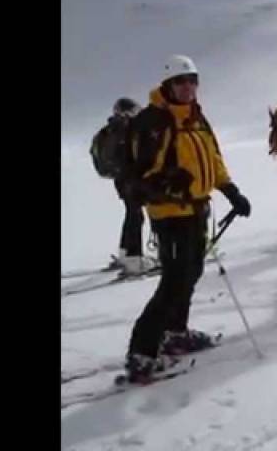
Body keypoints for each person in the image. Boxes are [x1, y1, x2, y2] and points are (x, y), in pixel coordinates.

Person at [122, 54, 252, 382]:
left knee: (191, 273)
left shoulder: (195, 117)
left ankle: (175, 333)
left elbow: (213, 159)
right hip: (170, 215)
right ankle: (141, 352)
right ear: (168, 85)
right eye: (180, 82)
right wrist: (167, 182)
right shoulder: (155, 121)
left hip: (196, 210)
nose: (188, 87)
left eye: (193, 81)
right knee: (173, 281)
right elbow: (140, 176)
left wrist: (231, 191)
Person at [91, 97, 154, 275]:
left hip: (120, 179)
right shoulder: (127, 127)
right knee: (136, 216)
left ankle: (125, 255)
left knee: (132, 213)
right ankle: (134, 261)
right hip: (131, 178)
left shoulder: (111, 129)